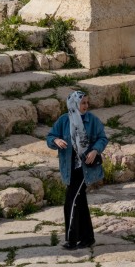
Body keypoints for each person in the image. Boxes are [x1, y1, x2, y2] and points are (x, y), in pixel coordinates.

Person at [47, 90, 107, 250]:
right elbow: (50, 137)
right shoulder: (64, 121)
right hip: (69, 168)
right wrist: (56, 140)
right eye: (83, 103)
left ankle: (71, 239)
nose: (86, 106)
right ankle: (88, 238)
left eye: (87, 102)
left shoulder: (92, 120)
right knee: (80, 202)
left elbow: (103, 138)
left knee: (71, 202)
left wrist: (95, 150)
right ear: (74, 104)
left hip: (85, 168)